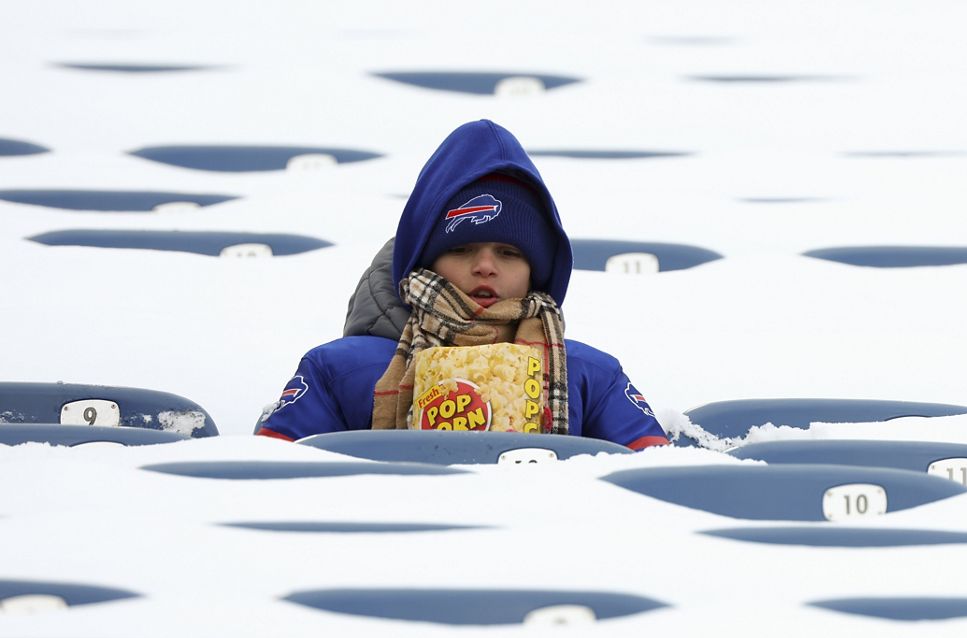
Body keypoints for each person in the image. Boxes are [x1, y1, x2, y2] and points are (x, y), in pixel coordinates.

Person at [256, 119, 669, 450]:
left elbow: (653, 486)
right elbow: (269, 483)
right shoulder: (340, 369)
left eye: (509, 253)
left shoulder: (589, 375)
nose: (486, 266)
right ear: (425, 259)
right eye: (462, 249)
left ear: (536, 272)